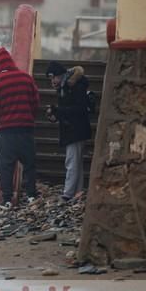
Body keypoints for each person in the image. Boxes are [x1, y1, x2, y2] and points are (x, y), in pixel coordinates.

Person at [0, 47, 40, 209]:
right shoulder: (26, 78)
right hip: (26, 130)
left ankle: (7, 200)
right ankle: (31, 196)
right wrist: (29, 117)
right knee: (29, 164)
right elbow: (35, 102)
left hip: (6, 132)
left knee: (5, 165)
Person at [45, 61, 92, 201]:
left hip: (75, 129)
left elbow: (79, 109)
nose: (52, 81)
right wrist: (56, 115)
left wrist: (58, 111)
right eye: (50, 79)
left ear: (60, 75)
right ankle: (77, 191)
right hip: (75, 128)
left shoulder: (73, 87)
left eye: (53, 77)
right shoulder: (66, 86)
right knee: (76, 162)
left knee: (71, 161)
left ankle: (68, 193)